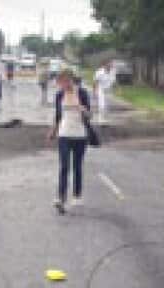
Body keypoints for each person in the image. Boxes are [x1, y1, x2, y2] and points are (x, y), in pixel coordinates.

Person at [48, 69, 92, 214]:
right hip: (64, 134)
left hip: (80, 134)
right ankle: (60, 198)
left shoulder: (82, 93)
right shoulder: (59, 95)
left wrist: (83, 109)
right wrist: (53, 131)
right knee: (64, 166)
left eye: (65, 81)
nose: (63, 85)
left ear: (71, 80)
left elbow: (90, 115)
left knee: (77, 166)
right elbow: (58, 115)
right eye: (61, 82)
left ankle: (77, 194)